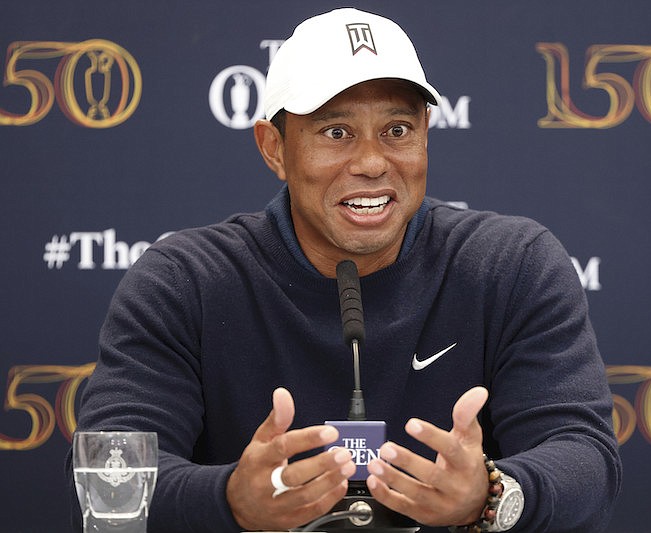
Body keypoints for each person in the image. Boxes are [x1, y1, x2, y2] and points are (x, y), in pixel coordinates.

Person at [68, 7, 621, 532]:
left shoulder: (510, 264)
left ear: (426, 133)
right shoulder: (184, 280)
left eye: (397, 130)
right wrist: (230, 501)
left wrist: (490, 496)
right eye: (336, 133)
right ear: (274, 148)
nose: (373, 162)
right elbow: (103, 488)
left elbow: (585, 461)